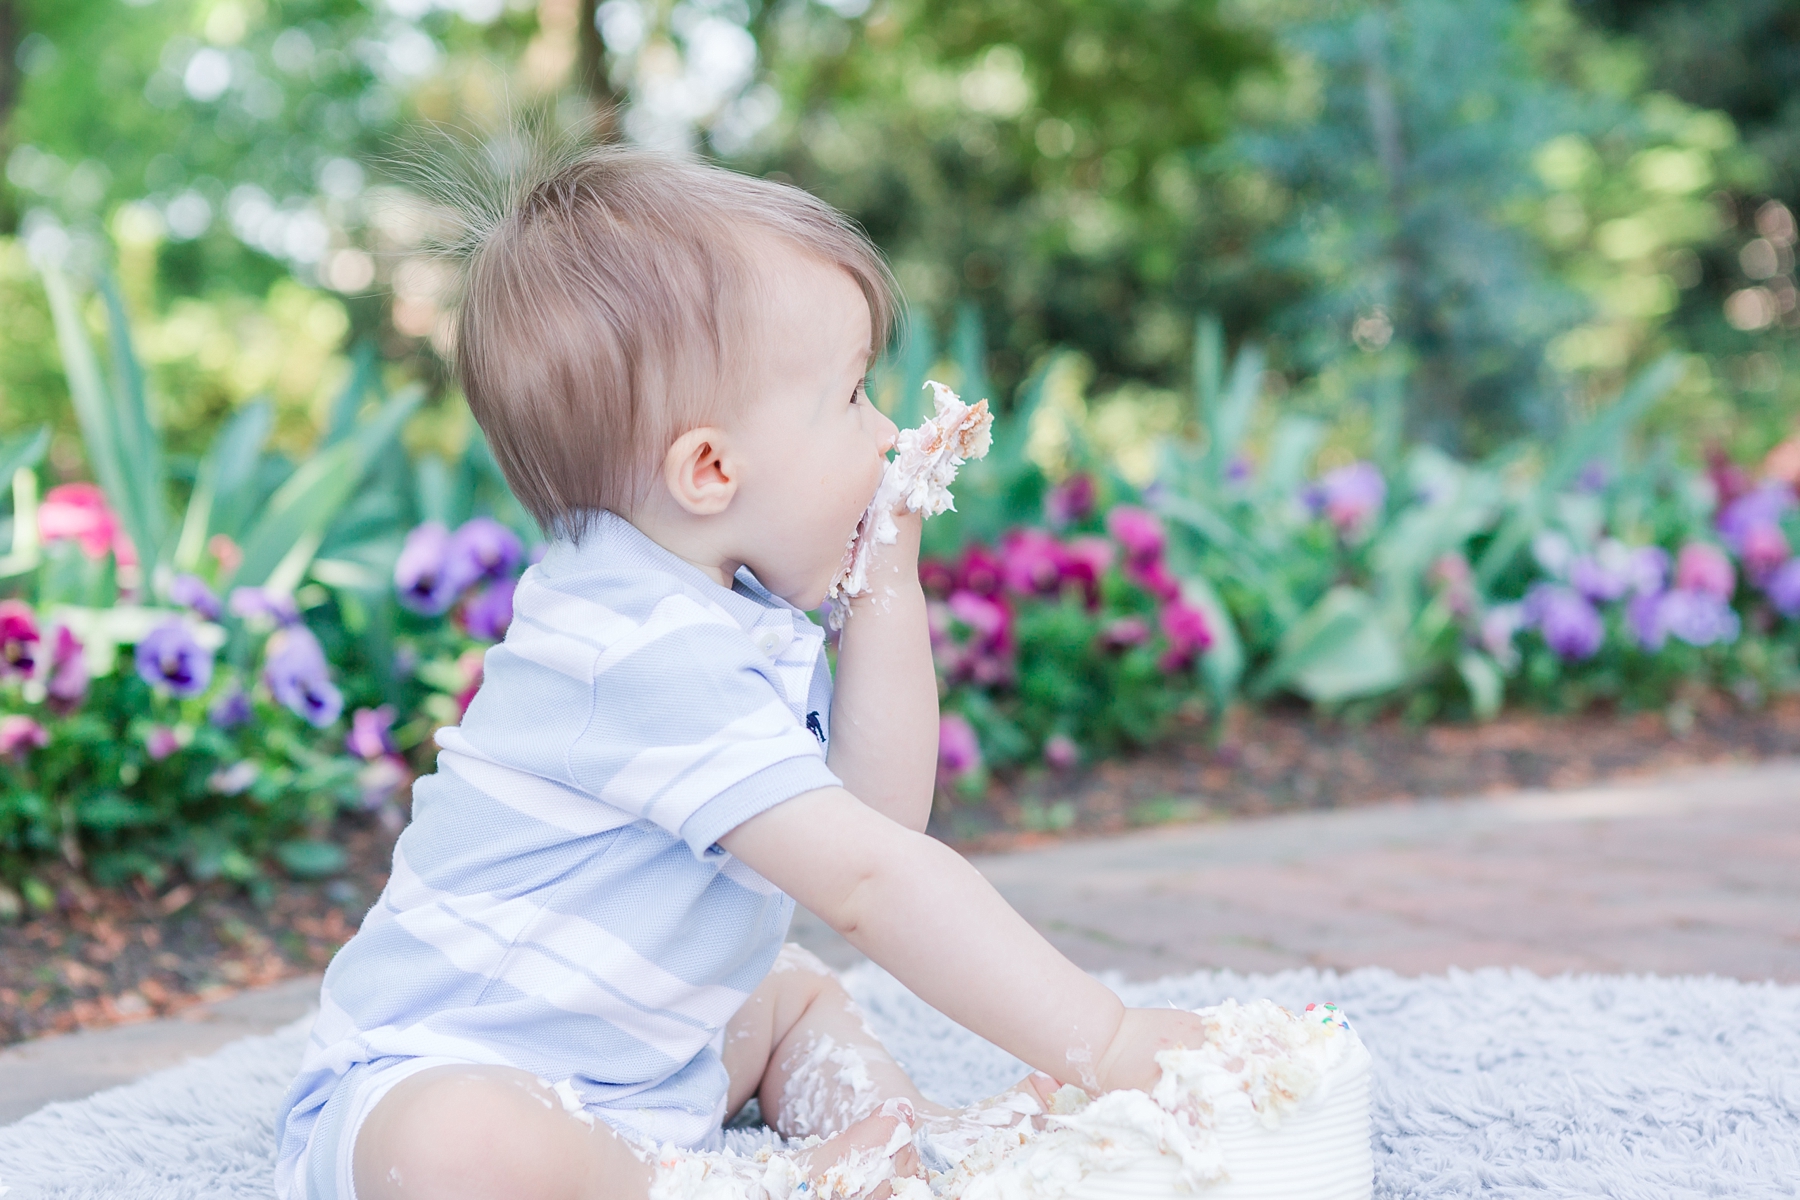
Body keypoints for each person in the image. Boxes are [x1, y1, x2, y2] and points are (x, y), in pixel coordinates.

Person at [273, 144, 1208, 1200]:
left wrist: (884, 591)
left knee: (791, 994)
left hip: (642, 1070)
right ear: (712, 469)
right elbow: (872, 886)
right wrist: (1110, 1039)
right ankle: (759, 1184)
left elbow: (877, 828)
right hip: (430, 1087)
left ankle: (906, 1137)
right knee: (466, 1144)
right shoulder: (627, 646)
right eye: (854, 398)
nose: (888, 431)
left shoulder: (734, 613)